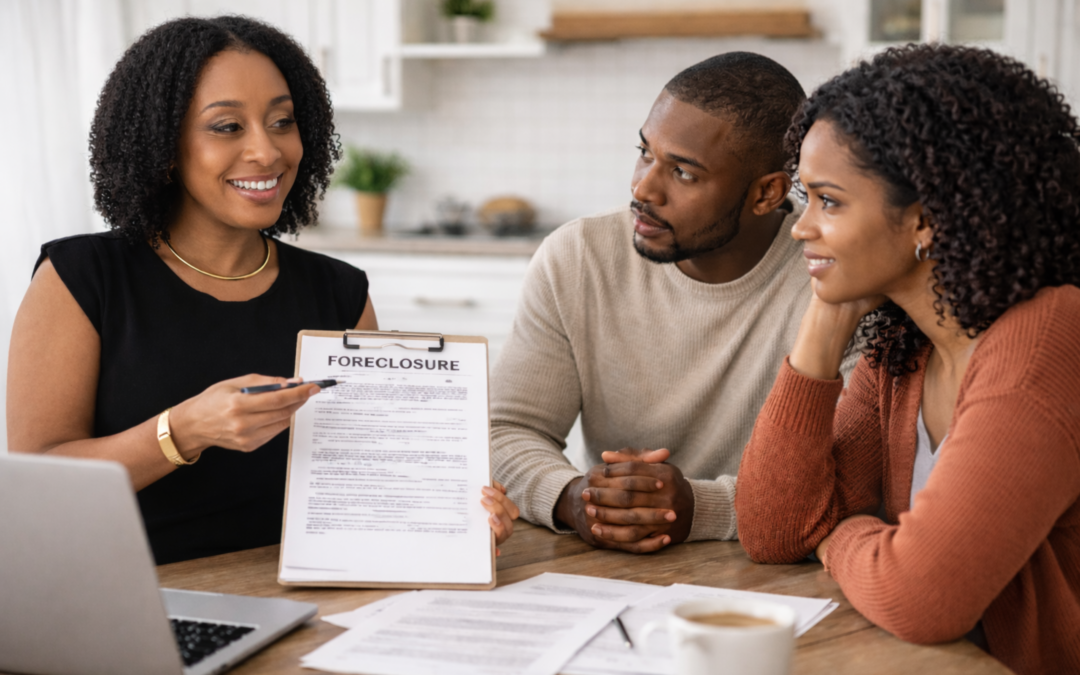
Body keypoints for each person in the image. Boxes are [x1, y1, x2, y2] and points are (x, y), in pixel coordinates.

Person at [7, 16, 517, 565]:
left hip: (298, 599)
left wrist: (453, 520)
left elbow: (371, 477)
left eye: (282, 121)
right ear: (163, 143)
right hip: (131, 603)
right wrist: (182, 431)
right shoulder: (83, 276)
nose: (268, 152)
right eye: (227, 126)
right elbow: (41, 483)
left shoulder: (339, 291)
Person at [735, 44, 1080, 673]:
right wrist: (829, 316)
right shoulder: (906, 349)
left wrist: (839, 535)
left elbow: (920, 597)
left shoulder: (1049, 339)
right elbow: (776, 530)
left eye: (828, 201)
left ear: (925, 219)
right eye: (803, 198)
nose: (799, 227)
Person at [491, 52, 857, 553]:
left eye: (683, 172)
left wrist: (698, 509)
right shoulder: (578, 256)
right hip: (609, 568)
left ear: (767, 193)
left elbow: (848, 485)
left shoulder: (835, 279)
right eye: (645, 152)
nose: (642, 188)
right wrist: (576, 498)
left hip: (779, 572)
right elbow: (507, 431)